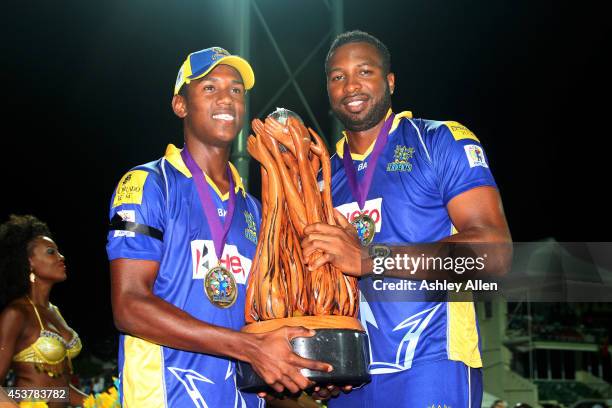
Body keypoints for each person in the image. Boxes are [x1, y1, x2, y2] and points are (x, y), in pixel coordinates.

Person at [107, 47, 332, 407]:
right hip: (166, 396)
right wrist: (251, 347)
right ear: (180, 105)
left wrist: (310, 368)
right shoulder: (147, 184)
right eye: (210, 88)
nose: (226, 98)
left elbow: (263, 318)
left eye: (236, 90)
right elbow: (129, 305)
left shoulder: (256, 210)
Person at [301, 30, 512, 407]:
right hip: (349, 377)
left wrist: (370, 259)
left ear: (390, 81)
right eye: (338, 76)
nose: (351, 85)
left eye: (364, 71)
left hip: (431, 364)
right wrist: (315, 359)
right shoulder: (320, 177)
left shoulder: (438, 142)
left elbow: (494, 253)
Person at [0, 215, 88, 407]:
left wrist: (98, 403)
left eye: (58, 252)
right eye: (51, 252)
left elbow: (57, 390)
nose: (61, 257)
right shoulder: (16, 314)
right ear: (29, 262)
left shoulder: (54, 311)